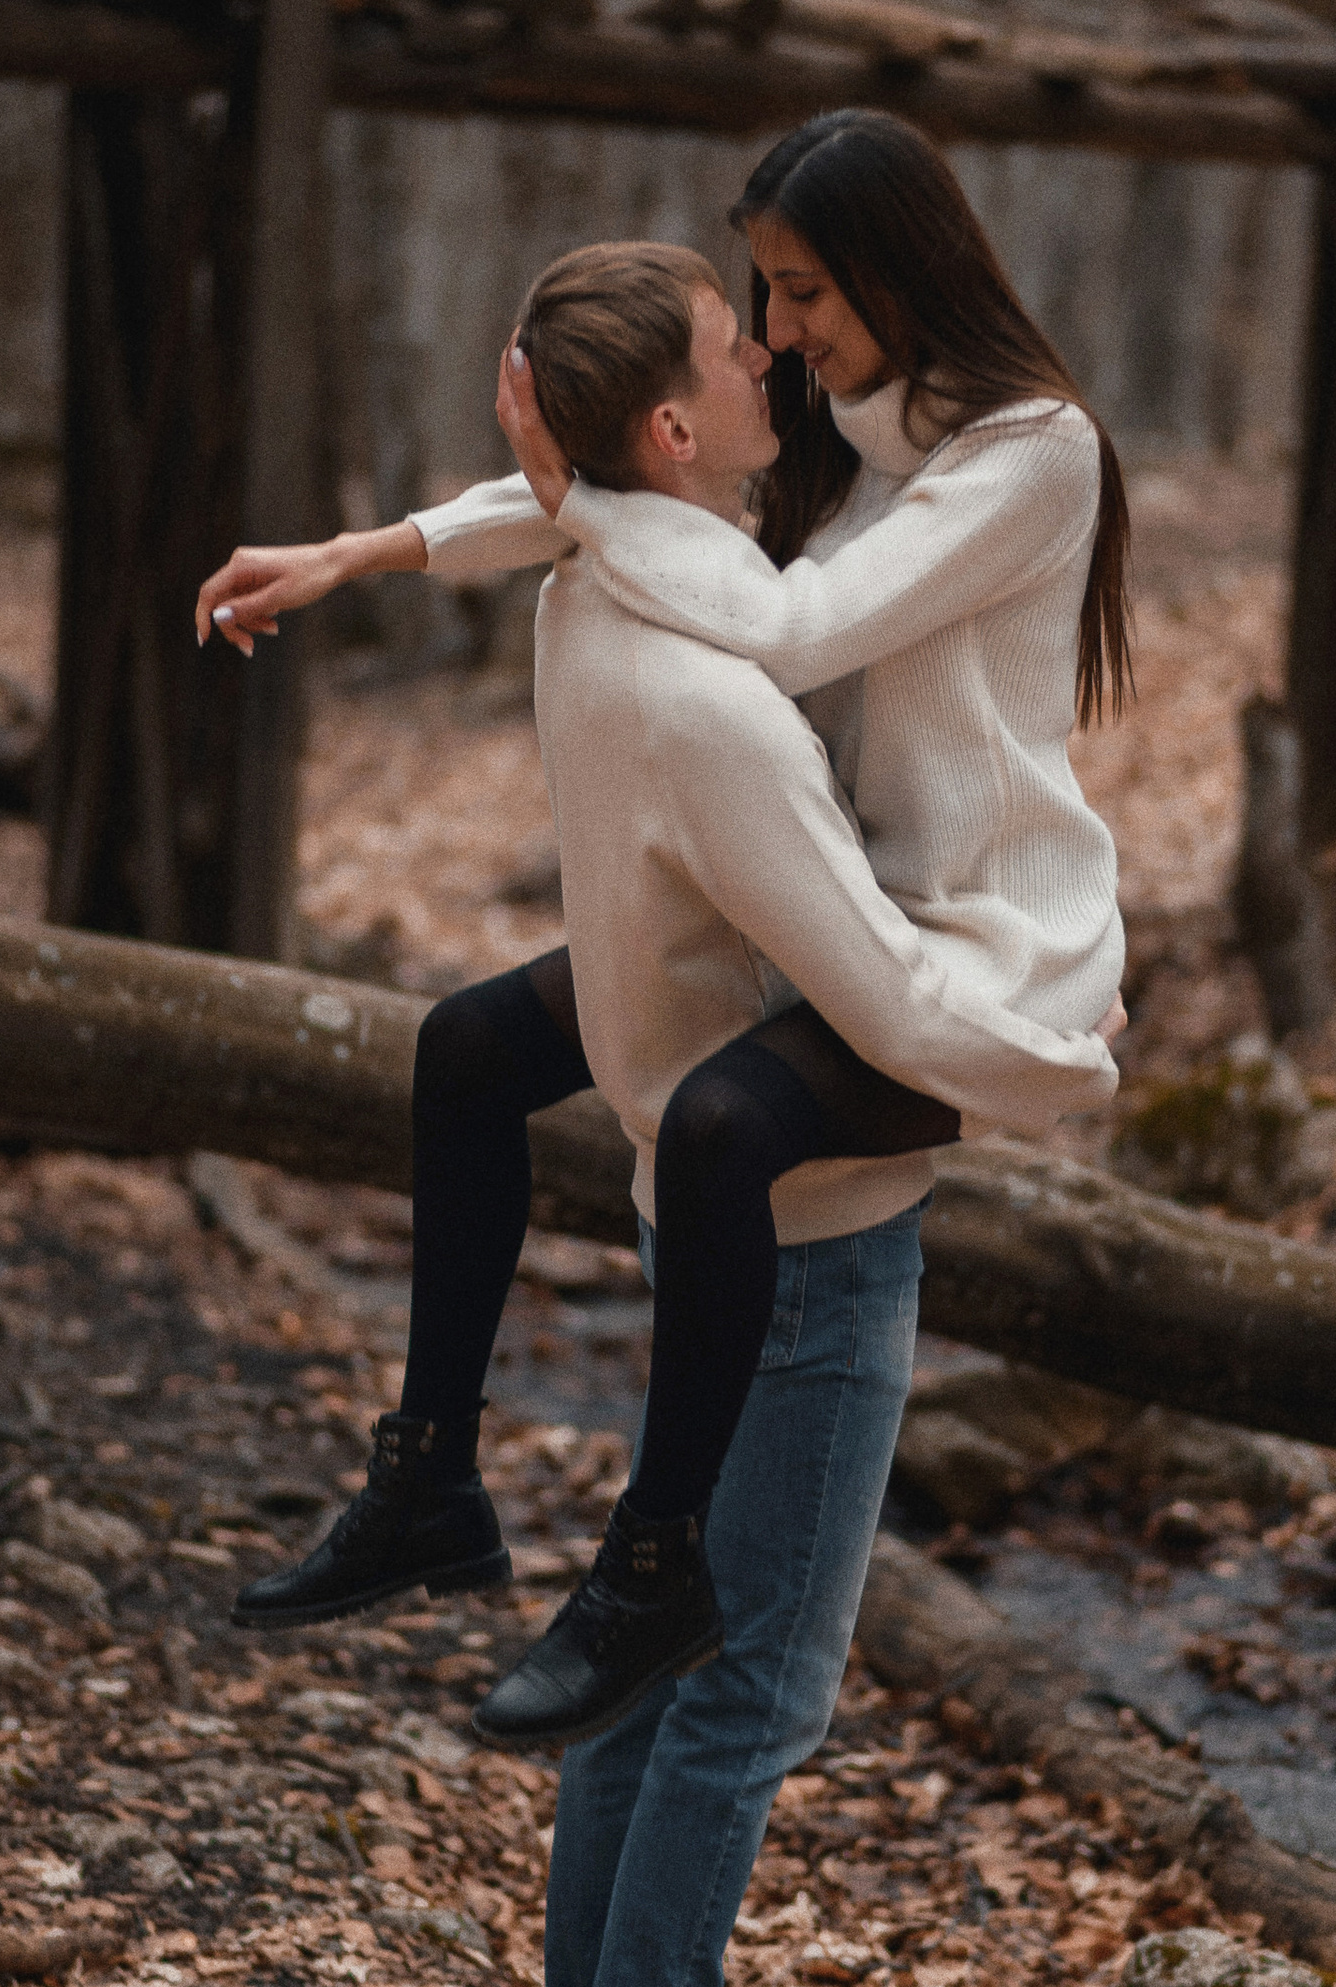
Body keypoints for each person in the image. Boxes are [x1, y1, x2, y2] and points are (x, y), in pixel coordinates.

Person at [297, 238, 1113, 1987]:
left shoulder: (596, 592)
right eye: (737, 341)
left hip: (697, 1218)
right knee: (735, 1701)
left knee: (653, 1681)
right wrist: (1053, 1054)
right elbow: (872, 1004)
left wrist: (396, 539)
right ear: (672, 427)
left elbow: (592, 523)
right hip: (812, 1251)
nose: (772, 357)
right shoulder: (722, 703)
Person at [198, 112, 1130, 1691]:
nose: (777, 337)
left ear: (901, 272)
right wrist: (370, 551)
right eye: (759, 300)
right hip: (818, 904)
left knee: (715, 1130)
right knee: (470, 1051)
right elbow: (643, 494)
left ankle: (653, 1559)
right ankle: (431, 1475)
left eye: (805, 294)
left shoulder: (1030, 454)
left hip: (969, 935)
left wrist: (581, 493)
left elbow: (791, 621)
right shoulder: (845, 421)